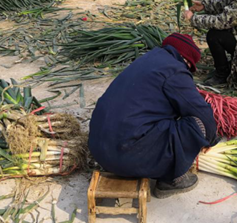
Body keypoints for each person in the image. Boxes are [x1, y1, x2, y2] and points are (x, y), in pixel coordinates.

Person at [88, 33, 217, 198]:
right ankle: (171, 180)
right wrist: (211, 139)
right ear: (186, 60)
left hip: (100, 150)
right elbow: (202, 113)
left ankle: (128, 160)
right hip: (126, 156)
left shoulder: (147, 60)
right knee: (197, 124)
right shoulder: (175, 69)